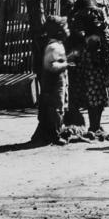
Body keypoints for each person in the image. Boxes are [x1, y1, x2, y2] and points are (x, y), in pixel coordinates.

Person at [67, 0, 109, 138]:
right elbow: (76, 42)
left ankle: (97, 125)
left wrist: (102, 29)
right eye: (86, 10)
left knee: (101, 95)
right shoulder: (76, 22)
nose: (89, 12)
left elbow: (108, 37)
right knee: (92, 95)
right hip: (87, 63)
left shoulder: (99, 18)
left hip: (101, 62)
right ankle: (93, 125)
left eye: (91, 9)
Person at [34, 15, 70, 145]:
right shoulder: (53, 47)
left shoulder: (57, 45)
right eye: (66, 28)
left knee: (59, 106)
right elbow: (50, 65)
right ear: (59, 32)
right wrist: (66, 65)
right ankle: (55, 134)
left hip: (58, 81)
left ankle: (56, 131)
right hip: (53, 82)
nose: (68, 30)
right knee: (55, 108)